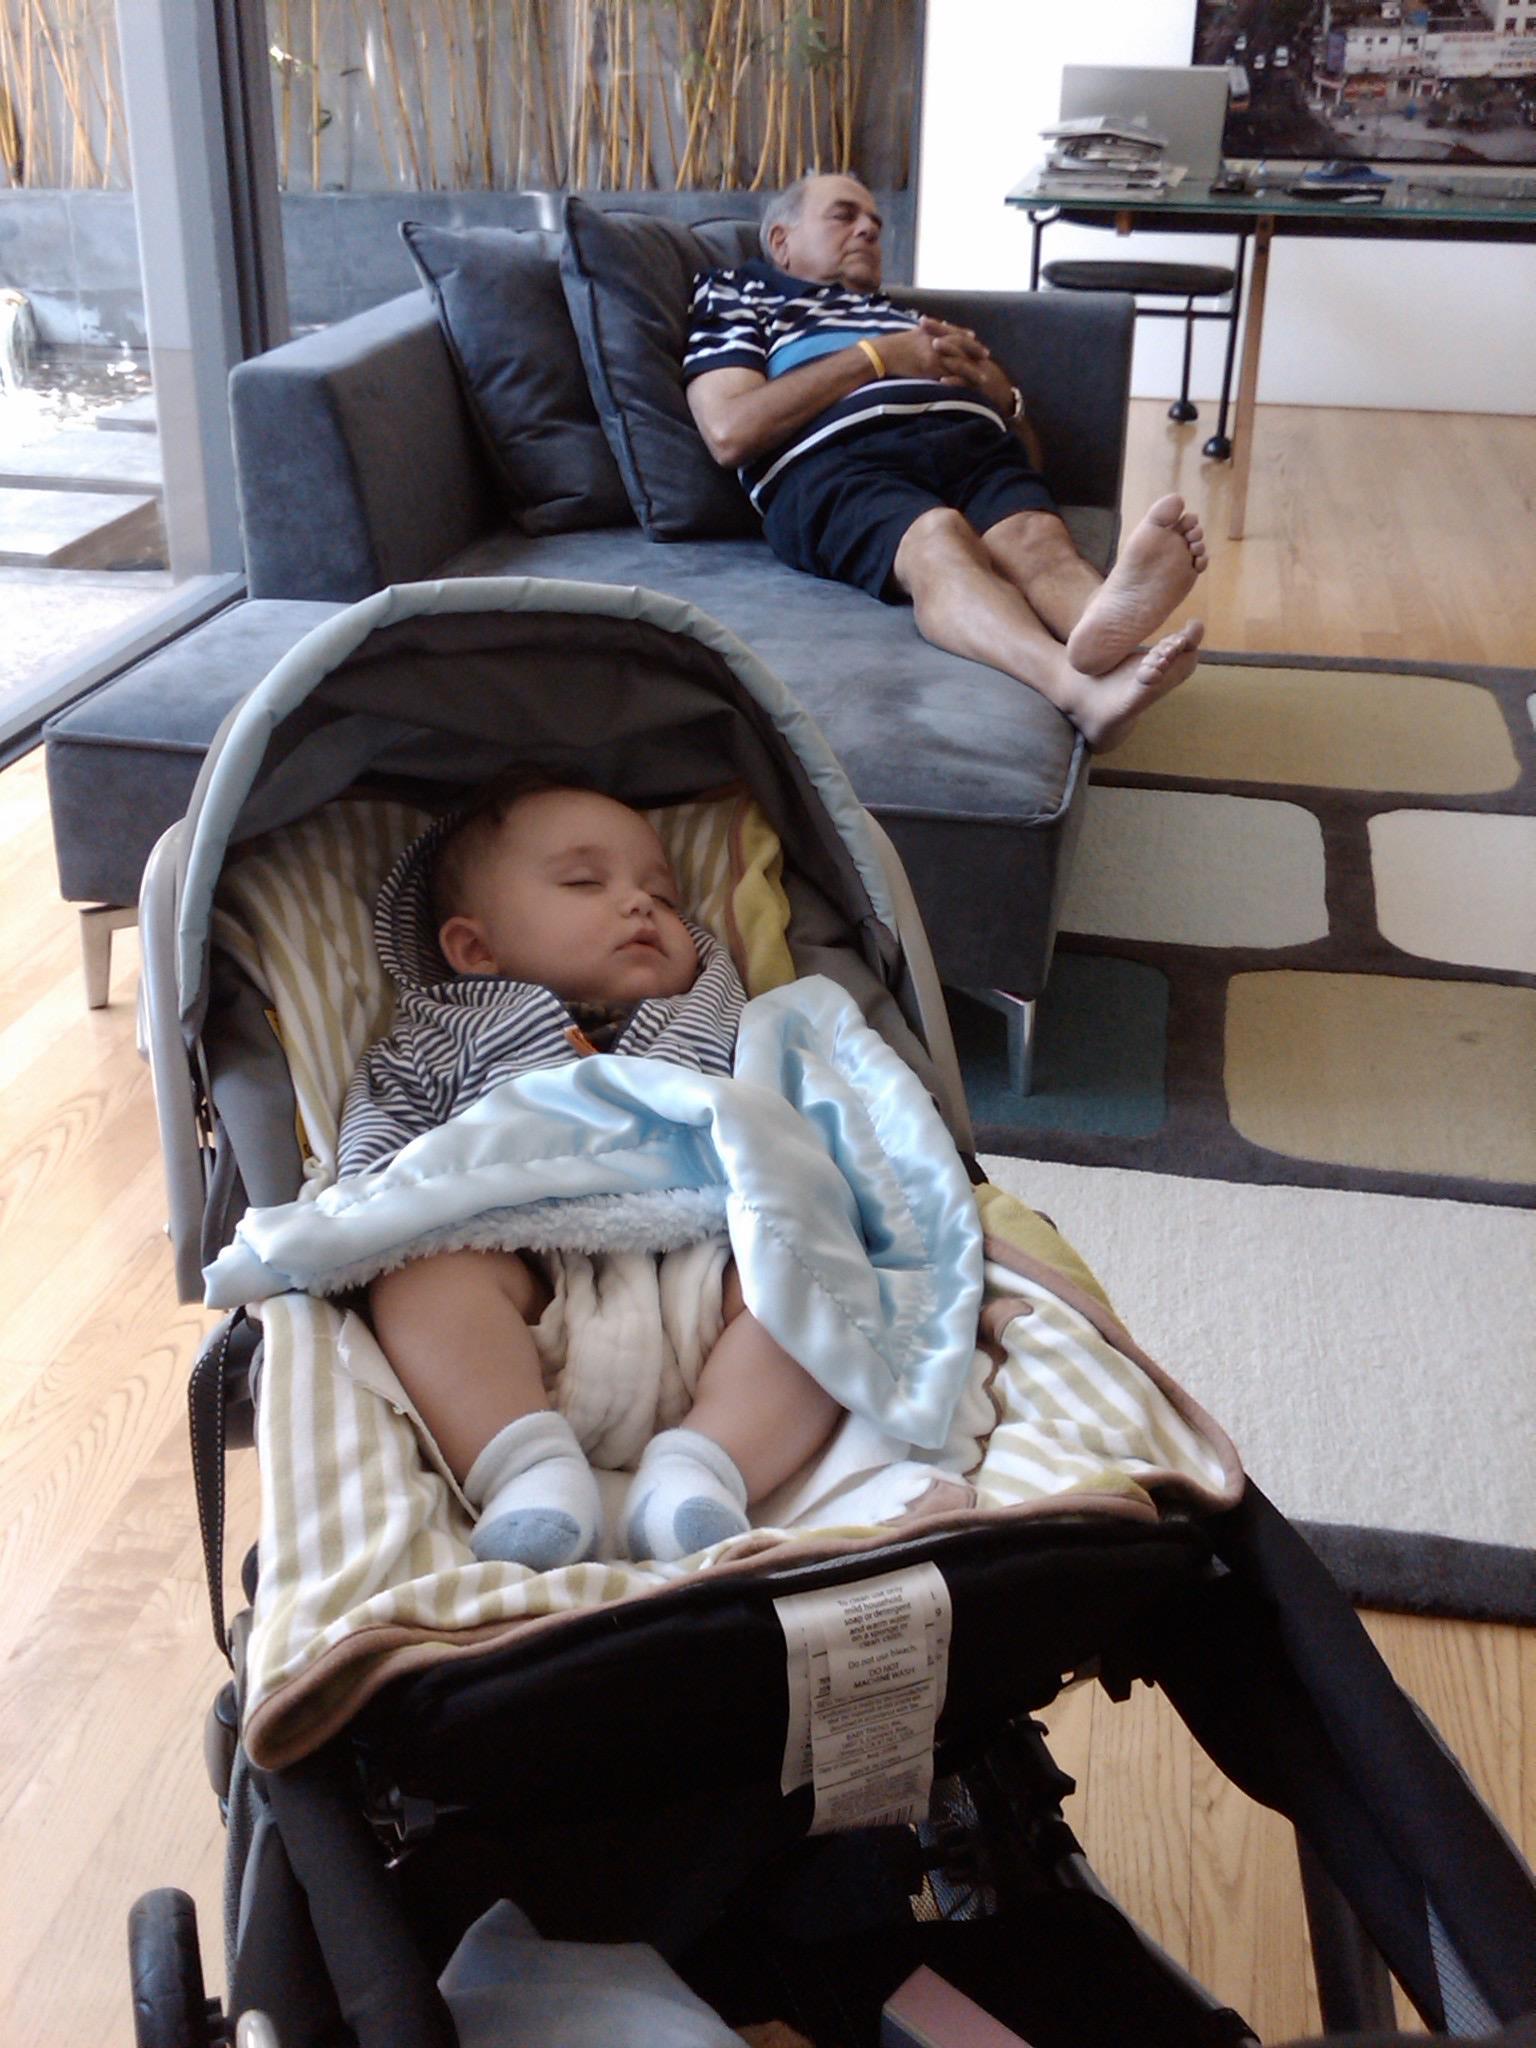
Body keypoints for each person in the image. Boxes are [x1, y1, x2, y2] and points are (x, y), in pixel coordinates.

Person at [336, 775, 842, 1574]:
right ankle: (527, 1470)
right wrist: (362, 1220)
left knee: (820, 1278)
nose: (640, 905)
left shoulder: (729, 1020)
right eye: (583, 883)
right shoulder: (439, 1038)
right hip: (526, 1301)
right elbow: (379, 1160)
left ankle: (705, 1471)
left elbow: (796, 1123)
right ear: (475, 950)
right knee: (419, 1277)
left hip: (705, 1279)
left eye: (664, 896)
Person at [684, 172, 1210, 752]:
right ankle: (1076, 687)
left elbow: (1032, 463)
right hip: (837, 464)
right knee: (937, 536)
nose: (869, 230)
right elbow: (729, 431)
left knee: (1034, 535)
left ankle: (1104, 627)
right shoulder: (739, 293)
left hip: (968, 445)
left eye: (875, 223)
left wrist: (1002, 396)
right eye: (843, 215)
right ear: (781, 241)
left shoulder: (905, 318)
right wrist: (878, 358)